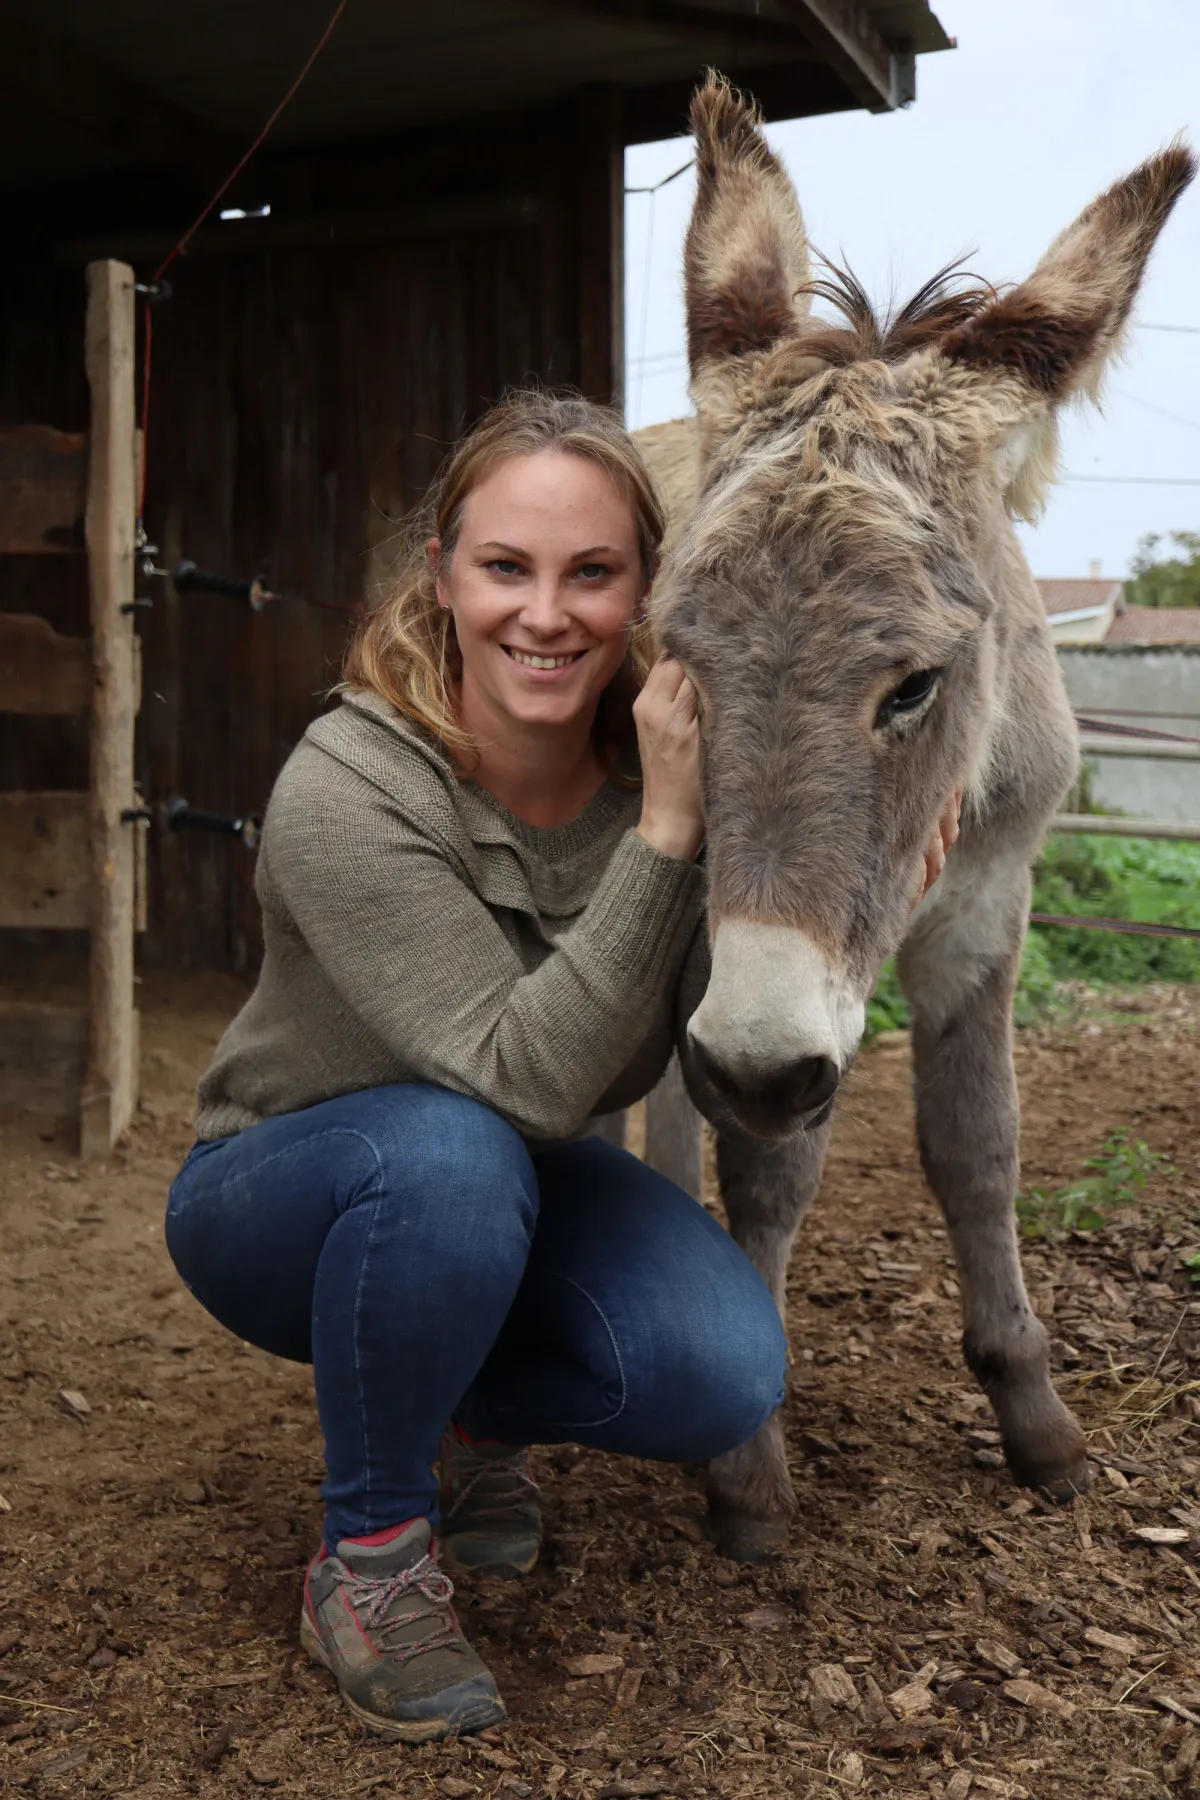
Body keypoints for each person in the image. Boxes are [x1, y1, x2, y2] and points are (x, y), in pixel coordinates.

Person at [165, 388, 959, 1745]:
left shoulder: (678, 766)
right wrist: (661, 836)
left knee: (724, 1369)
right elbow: (520, 1081)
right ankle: (370, 1556)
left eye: (594, 573)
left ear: (646, 589)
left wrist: (864, 915)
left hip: (508, 1189)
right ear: (443, 577)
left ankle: (467, 1407)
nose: (547, 614)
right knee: (448, 1152)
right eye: (506, 569)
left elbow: (716, 1053)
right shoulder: (351, 784)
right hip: (289, 1195)